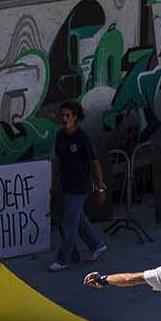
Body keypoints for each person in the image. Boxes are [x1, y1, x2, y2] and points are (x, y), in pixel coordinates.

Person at [48, 100, 109, 273]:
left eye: (68, 115)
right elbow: (58, 162)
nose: (64, 119)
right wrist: (54, 185)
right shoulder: (60, 136)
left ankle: (64, 258)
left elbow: (95, 162)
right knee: (76, 219)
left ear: (75, 117)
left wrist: (100, 186)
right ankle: (97, 244)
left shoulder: (82, 138)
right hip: (65, 185)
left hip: (79, 186)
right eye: (62, 115)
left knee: (69, 223)